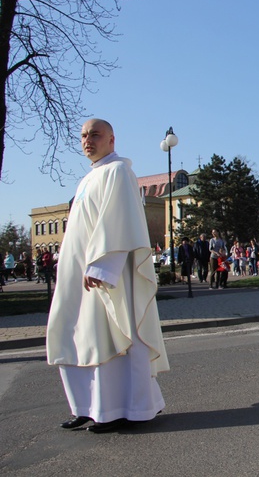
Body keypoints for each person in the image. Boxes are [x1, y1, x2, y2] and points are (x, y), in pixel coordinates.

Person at [46, 118, 168, 433]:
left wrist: (103, 267)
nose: (88, 140)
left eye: (95, 135)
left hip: (107, 277)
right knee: (79, 337)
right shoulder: (89, 178)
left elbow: (118, 221)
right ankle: (88, 407)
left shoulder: (118, 171)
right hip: (79, 276)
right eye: (84, 135)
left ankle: (121, 409)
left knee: (112, 337)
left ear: (112, 139)